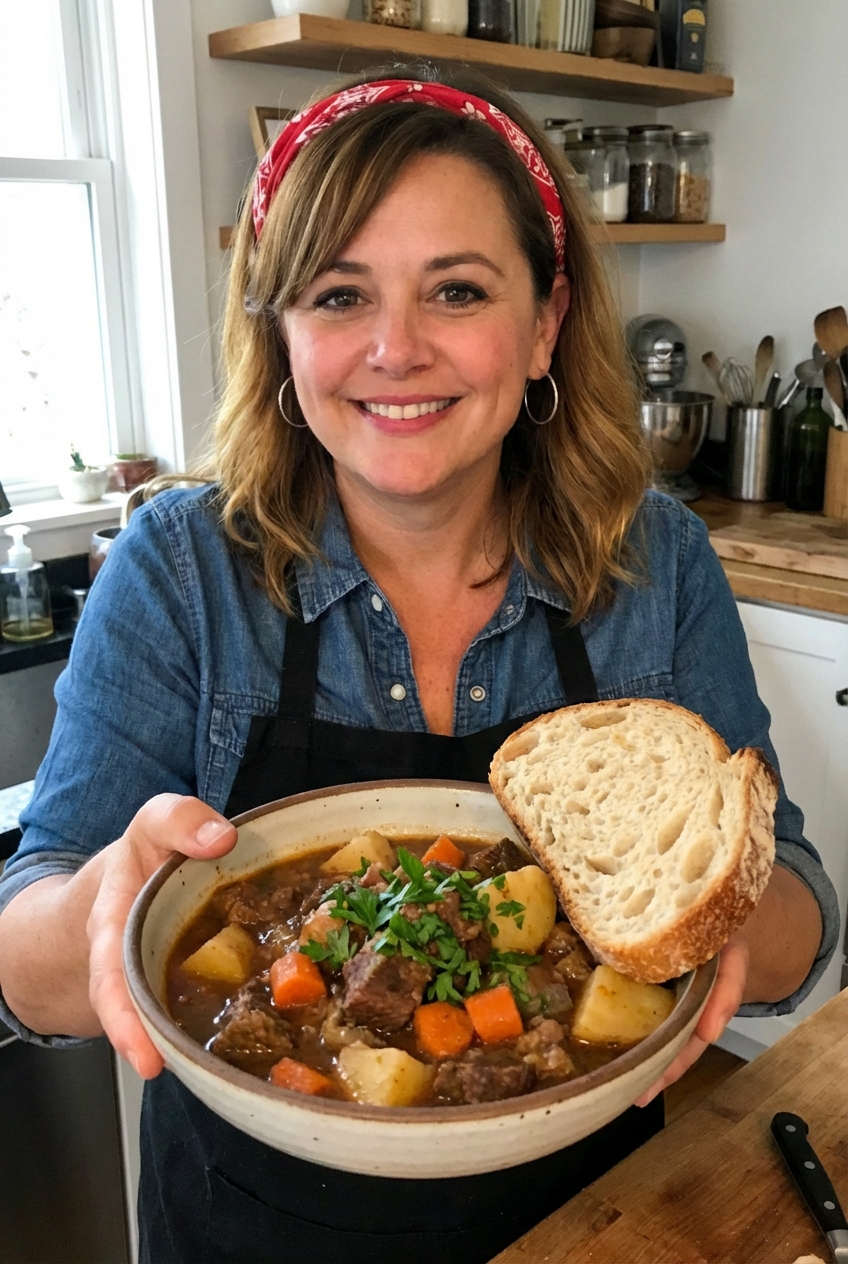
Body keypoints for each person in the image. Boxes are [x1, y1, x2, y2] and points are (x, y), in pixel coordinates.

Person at [0, 68, 837, 1264]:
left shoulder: (653, 561)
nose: (395, 348)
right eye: (340, 295)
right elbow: (23, 962)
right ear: (280, 331)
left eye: (456, 289)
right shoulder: (180, 568)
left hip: (591, 1225)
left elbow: (798, 895)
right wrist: (92, 915)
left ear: (544, 322)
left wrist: (730, 925)